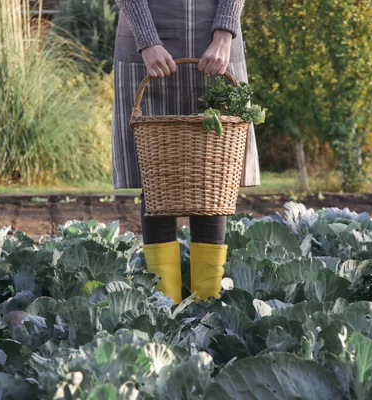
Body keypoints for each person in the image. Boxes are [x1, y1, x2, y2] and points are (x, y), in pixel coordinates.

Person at [112, 0, 260, 304]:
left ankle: (207, 301)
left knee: (214, 173)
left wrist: (224, 33)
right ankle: (165, 303)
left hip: (216, 42)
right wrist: (147, 41)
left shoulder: (221, 38)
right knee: (155, 174)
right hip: (147, 43)